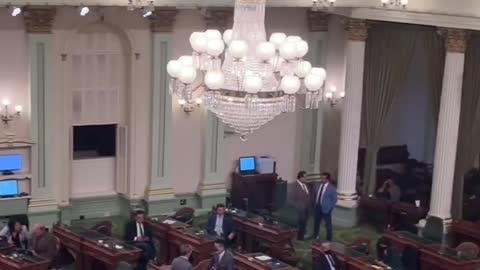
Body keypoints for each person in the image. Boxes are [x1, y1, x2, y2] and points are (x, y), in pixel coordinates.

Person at [312, 172, 337, 241]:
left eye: (323, 178)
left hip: (326, 209)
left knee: (328, 225)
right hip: (317, 207)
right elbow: (315, 195)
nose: (322, 179)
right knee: (316, 223)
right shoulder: (318, 186)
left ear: (327, 179)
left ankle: (329, 238)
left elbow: (334, 200)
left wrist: (330, 208)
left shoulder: (332, 188)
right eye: (321, 178)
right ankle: (315, 235)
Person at [292, 171, 311, 240]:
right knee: (299, 224)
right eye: (305, 177)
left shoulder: (306, 185)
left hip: (306, 209)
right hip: (299, 210)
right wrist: (298, 207)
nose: (306, 179)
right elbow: (291, 199)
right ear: (301, 178)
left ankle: (302, 236)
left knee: (304, 223)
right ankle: (298, 237)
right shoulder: (294, 185)